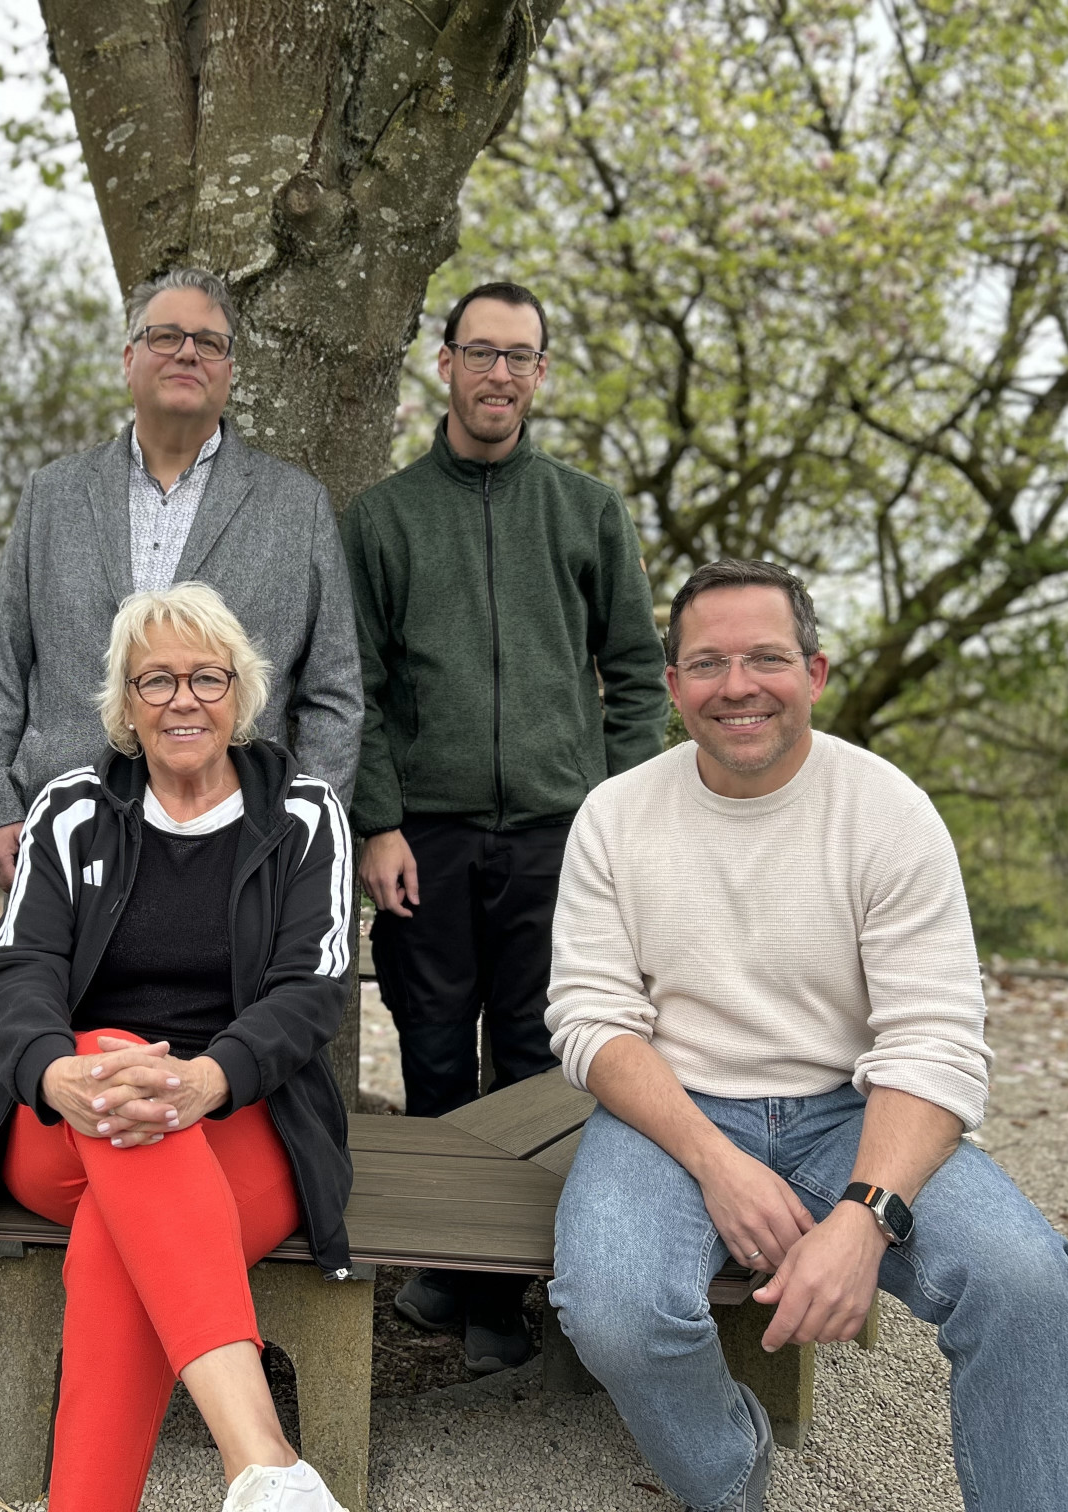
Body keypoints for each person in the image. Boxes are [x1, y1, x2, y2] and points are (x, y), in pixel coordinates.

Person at [545, 559, 1068, 1512]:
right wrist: (718, 1164)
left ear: (815, 672)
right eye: (708, 664)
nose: (738, 686)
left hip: (853, 1105)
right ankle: (731, 1477)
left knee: (1025, 1283)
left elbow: (932, 1040)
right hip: (674, 1112)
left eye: (766, 657)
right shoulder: (615, 815)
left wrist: (866, 1215)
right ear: (672, 685)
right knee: (612, 1308)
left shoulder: (887, 813)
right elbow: (591, 1019)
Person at [0, 582, 357, 1512]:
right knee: (107, 1050)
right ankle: (261, 1458)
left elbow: (312, 990)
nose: (184, 700)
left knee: (115, 1237)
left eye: (208, 678)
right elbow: (16, 973)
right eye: (157, 680)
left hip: (245, 1120)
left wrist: (210, 1078)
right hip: (63, 1119)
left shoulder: (304, 815)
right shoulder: (69, 809)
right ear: (126, 703)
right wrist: (61, 1072)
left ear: (242, 693)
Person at [341, 280, 667, 1370]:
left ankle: (510, 1298)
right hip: (420, 840)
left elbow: (634, 675)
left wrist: (616, 815)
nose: (499, 374)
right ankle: (442, 1268)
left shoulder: (586, 512)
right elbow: (361, 690)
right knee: (433, 1061)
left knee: (536, 1064)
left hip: (557, 840)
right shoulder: (383, 520)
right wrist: (378, 823)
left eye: (520, 356)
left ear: (541, 373)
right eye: (481, 352)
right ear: (444, 364)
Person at [0, 266, 362, 890]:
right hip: (67, 827)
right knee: (53, 990)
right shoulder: (53, 495)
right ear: (129, 359)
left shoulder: (297, 505)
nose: (187, 353)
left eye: (209, 342)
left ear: (230, 369)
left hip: (236, 835)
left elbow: (333, 691)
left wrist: (305, 825)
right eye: (165, 336)